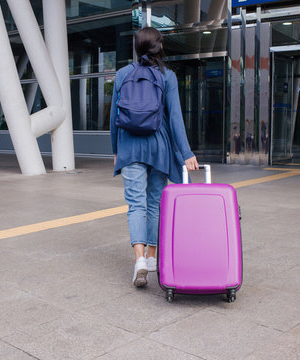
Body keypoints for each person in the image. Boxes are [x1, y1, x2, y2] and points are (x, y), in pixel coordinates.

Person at [110, 27, 198, 287]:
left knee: (135, 204)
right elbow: (176, 120)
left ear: (137, 48)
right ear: (159, 47)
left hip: (129, 146)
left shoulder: (122, 75)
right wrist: (186, 153)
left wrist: (116, 150)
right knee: (155, 204)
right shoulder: (166, 76)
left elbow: (114, 121)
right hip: (158, 147)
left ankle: (138, 260)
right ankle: (151, 257)